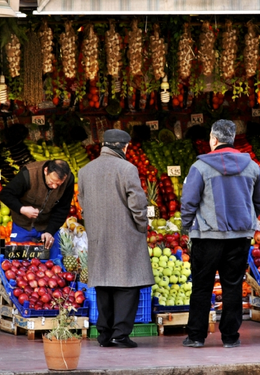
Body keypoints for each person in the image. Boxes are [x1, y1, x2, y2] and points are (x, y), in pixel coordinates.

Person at [180, 119, 260, 349]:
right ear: (232, 139)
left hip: (207, 237)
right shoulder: (251, 166)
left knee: (202, 287)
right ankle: (230, 337)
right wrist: (248, 217)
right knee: (233, 286)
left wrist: (186, 225)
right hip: (239, 238)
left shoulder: (200, 167)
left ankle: (196, 337)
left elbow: (188, 202)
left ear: (214, 139)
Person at [78, 129, 154, 349]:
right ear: (124, 147)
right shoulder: (127, 168)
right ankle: (120, 334)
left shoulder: (85, 171)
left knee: (103, 284)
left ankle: (104, 334)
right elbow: (137, 203)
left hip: (98, 235)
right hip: (125, 233)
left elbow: (82, 202)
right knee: (127, 284)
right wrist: (141, 226)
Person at [0, 159, 74, 253]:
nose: (54, 187)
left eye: (58, 184)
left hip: (47, 225)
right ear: (46, 171)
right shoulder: (29, 174)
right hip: (23, 225)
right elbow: (5, 194)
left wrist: (50, 231)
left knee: (51, 261)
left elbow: (62, 208)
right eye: (51, 182)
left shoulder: (68, 180)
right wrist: (22, 209)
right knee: (19, 261)